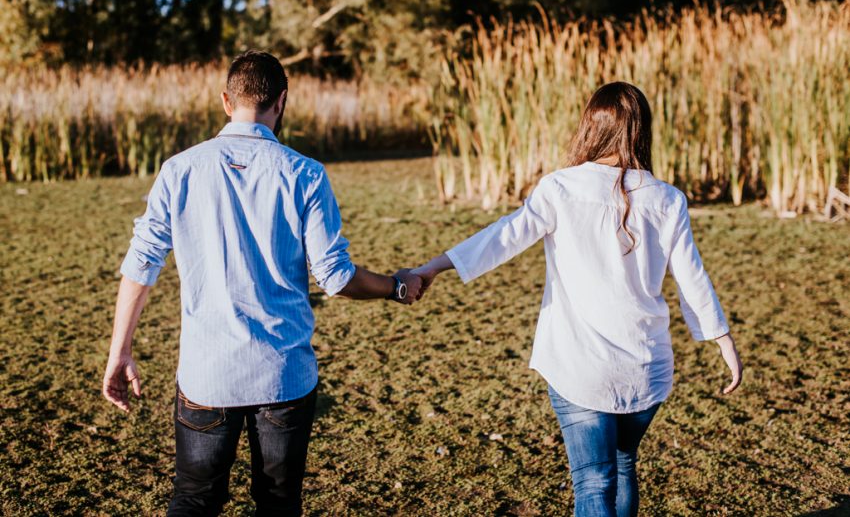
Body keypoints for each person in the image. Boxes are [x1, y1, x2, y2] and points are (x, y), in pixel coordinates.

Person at [102, 50, 423, 517]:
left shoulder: (179, 169)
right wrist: (395, 286)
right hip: (283, 374)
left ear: (226, 102)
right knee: (277, 503)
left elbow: (141, 264)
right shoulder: (306, 173)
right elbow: (335, 278)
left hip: (206, 376)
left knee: (193, 499)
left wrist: (120, 352)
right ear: (282, 102)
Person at [412, 82, 743, 517]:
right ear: (641, 131)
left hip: (580, 368)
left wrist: (433, 267)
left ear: (592, 127)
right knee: (623, 465)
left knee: (593, 481)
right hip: (646, 369)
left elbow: (502, 238)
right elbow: (691, 277)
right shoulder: (668, 199)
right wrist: (723, 342)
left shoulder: (560, 189)